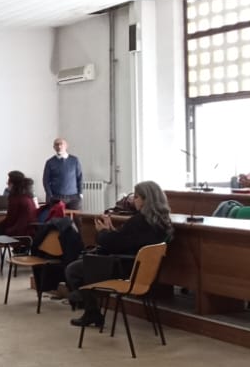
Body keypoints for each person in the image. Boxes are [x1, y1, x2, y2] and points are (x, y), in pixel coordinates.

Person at [66, 181, 174, 328]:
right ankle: (85, 299)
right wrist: (111, 231)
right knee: (86, 264)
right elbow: (126, 242)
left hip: (124, 268)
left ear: (146, 199)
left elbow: (113, 245)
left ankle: (90, 309)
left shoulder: (139, 222)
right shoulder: (164, 224)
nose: (133, 200)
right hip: (142, 271)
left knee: (74, 269)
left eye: (136, 197)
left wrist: (102, 232)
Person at [0, 172, 39, 270]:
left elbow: (10, 220)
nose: (7, 183)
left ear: (13, 183)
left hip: (18, 232)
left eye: (8, 181)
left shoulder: (15, 198)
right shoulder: (28, 196)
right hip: (29, 232)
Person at [42, 139, 84, 209]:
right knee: (57, 216)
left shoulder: (75, 160)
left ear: (66, 146)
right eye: (56, 144)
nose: (59, 146)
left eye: (61, 144)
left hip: (74, 198)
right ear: (54, 147)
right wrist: (50, 195)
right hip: (56, 197)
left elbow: (79, 177)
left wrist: (80, 193)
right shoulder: (50, 162)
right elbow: (45, 180)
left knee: (76, 215)